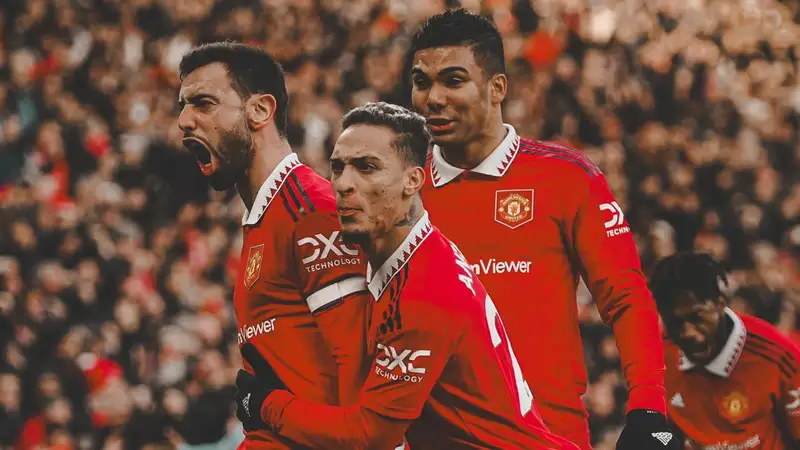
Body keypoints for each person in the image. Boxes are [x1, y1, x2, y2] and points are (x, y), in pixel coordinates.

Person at [233, 101, 579, 450]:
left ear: (413, 181)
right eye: (338, 167)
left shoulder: (423, 294)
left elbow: (367, 437)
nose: (343, 184)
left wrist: (267, 405)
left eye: (367, 167)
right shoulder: (412, 255)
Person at [410, 9, 675, 450]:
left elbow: (626, 296)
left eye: (453, 80)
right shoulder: (402, 195)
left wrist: (648, 407)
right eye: (422, 82)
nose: (433, 98)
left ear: (497, 88)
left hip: (550, 438)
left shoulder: (566, 178)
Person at [177, 42, 371, 449]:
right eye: (184, 106)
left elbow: (362, 404)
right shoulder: (265, 218)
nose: (184, 121)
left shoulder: (312, 212)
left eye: (204, 103)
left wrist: (266, 406)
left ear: (260, 110)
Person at [650, 252, 800, 449]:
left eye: (697, 318)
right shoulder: (656, 357)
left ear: (720, 304)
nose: (687, 333)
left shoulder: (779, 358)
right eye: (675, 322)